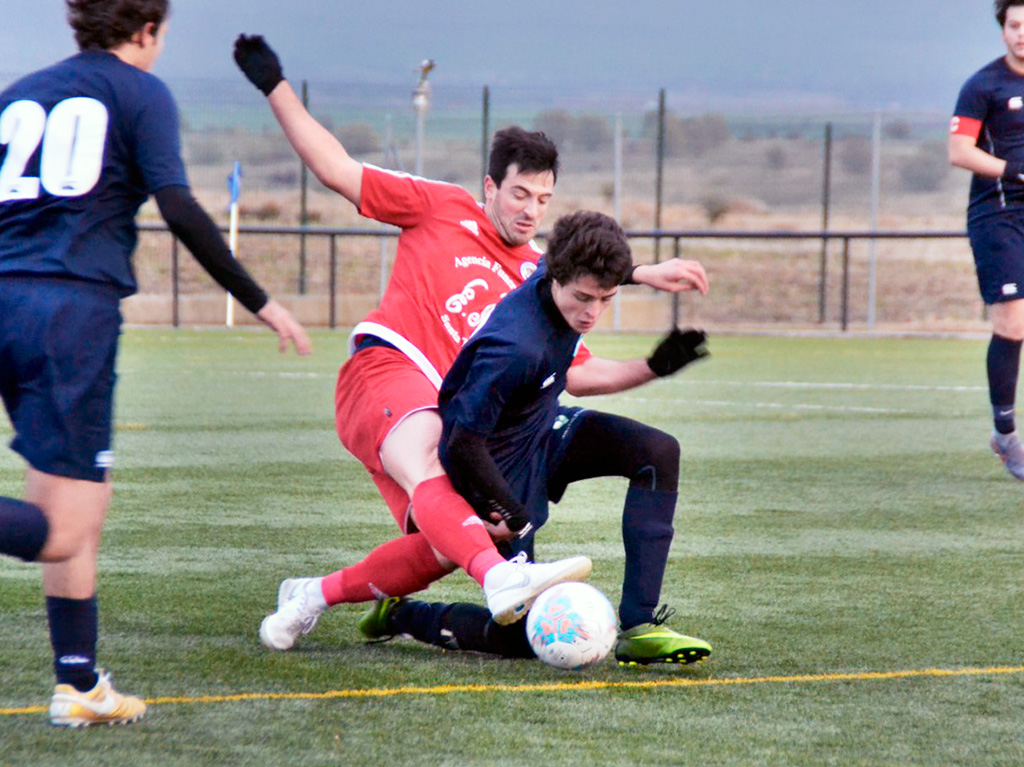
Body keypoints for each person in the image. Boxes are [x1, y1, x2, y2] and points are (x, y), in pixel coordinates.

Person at [233, 35, 709, 657]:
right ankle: (495, 575)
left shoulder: (543, 279)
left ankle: (328, 597)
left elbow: (579, 368)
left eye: (543, 199)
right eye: (519, 194)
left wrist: (652, 357)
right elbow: (336, 169)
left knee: (445, 551)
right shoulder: (440, 207)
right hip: (394, 370)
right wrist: (275, 85)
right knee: (448, 489)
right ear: (489, 186)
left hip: (477, 427)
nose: (530, 211)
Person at [0, 1, 311, 727]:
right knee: (65, 528)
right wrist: (261, 300)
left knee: (83, 501)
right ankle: (78, 685)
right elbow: (179, 207)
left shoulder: (20, 93)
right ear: (146, 30)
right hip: (68, 315)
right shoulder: (140, 92)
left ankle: (79, 684)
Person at [355, 211, 712, 666]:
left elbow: (594, 270)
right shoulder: (514, 348)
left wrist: (644, 276)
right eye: (583, 298)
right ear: (555, 278)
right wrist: (513, 512)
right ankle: (399, 614)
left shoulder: (560, 270)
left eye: (606, 298)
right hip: (491, 468)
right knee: (521, 640)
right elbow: (461, 443)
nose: (592, 312)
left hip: (542, 432)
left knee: (657, 452)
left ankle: (639, 626)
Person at [949, 0, 1024, 481]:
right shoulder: (983, 86)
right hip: (999, 217)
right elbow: (959, 151)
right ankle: (1006, 435)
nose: (1022, 34)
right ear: (1003, 31)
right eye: (1015, 25)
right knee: (1013, 324)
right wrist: (1015, 171)